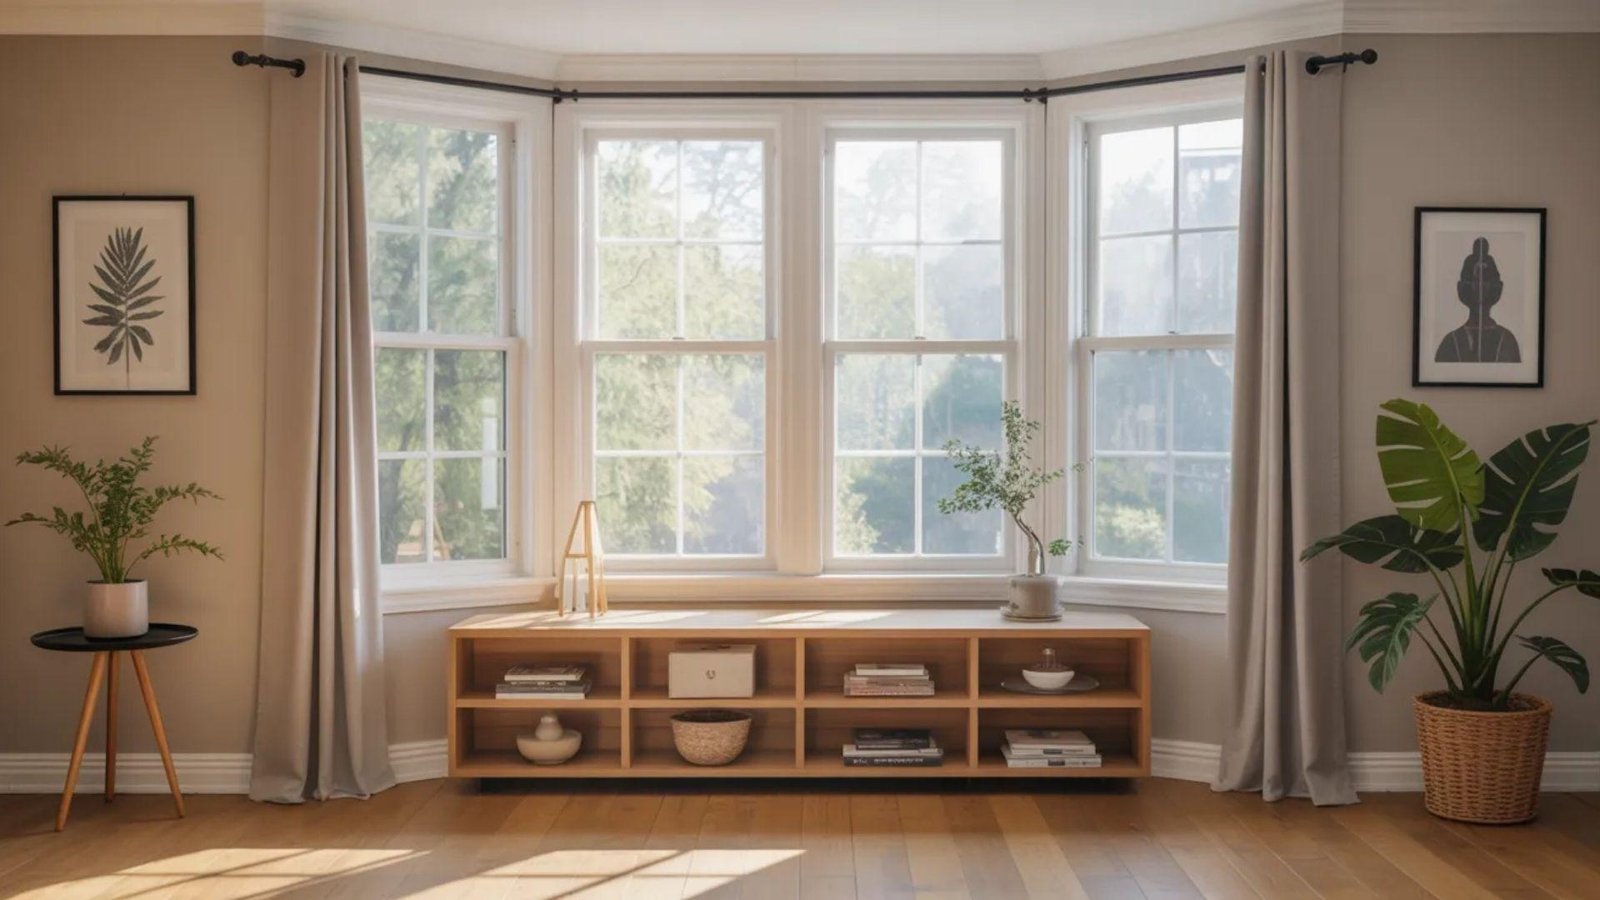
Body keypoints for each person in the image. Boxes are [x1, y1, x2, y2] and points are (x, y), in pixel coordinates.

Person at [1434, 236, 1520, 363]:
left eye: (1485, 280)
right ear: (1462, 287)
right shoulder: (1450, 343)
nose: (1480, 286)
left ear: (1497, 287)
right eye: (1474, 280)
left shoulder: (1507, 341)